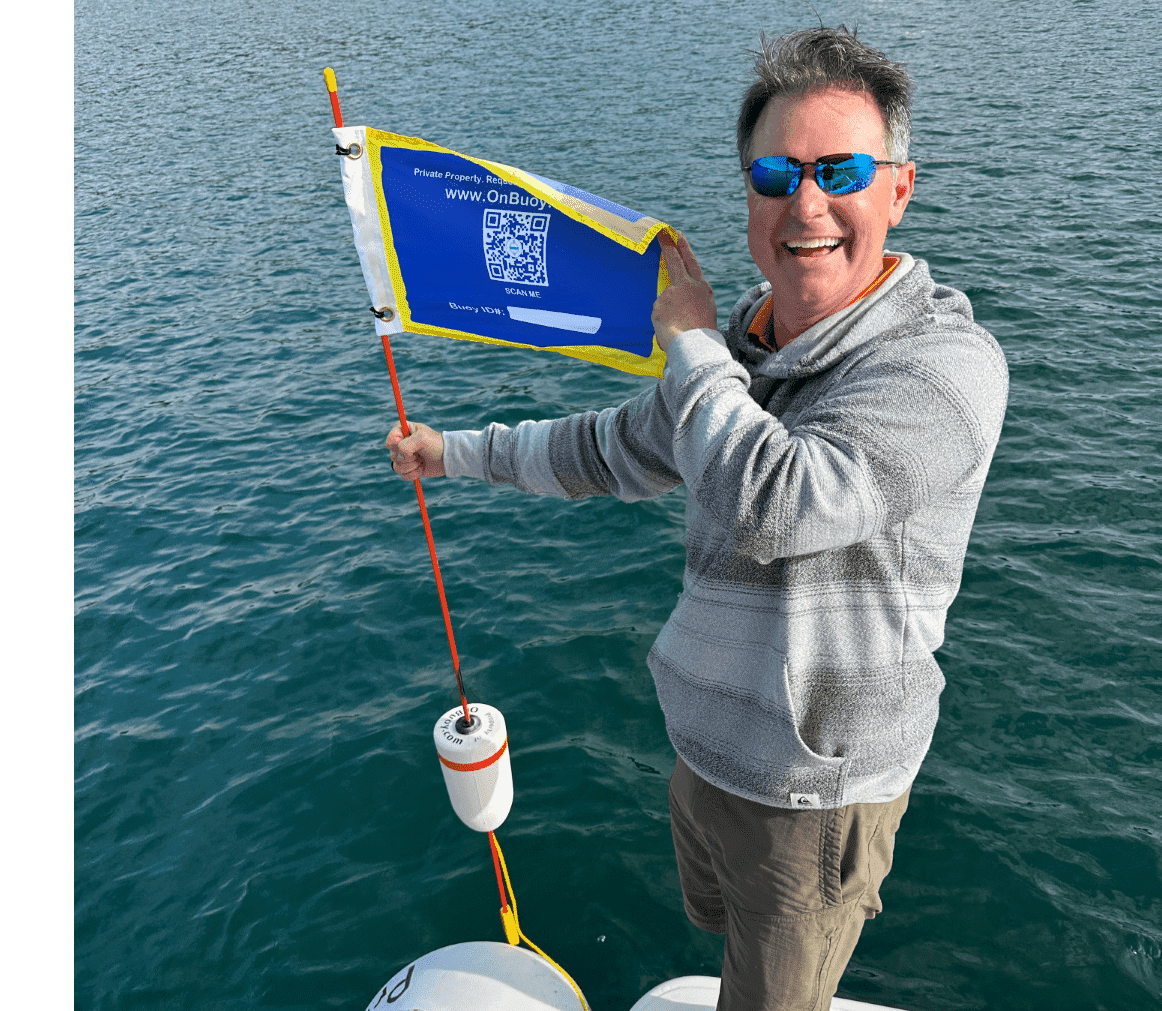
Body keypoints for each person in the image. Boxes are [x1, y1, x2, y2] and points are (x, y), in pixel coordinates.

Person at [388, 26, 1008, 1011]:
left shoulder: (941, 368)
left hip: (813, 796)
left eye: (840, 169)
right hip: (708, 759)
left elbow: (780, 503)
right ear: (750, 195)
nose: (806, 203)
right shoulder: (740, 353)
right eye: (774, 173)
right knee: (725, 945)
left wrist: (686, 343)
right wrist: (452, 453)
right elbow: (602, 450)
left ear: (899, 187)